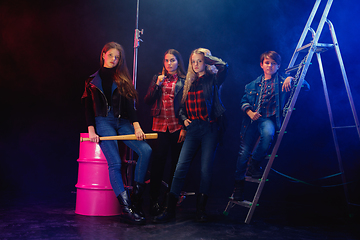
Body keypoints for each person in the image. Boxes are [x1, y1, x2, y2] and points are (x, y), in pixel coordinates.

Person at [153, 48, 228, 223]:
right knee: (180, 168)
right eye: (193, 61)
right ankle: (169, 210)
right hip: (193, 128)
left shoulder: (212, 79)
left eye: (199, 61)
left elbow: (224, 67)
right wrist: (184, 119)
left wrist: (209, 57)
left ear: (205, 62)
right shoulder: (188, 82)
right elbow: (180, 108)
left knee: (205, 169)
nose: (196, 64)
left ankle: (200, 210)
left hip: (209, 128)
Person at [81, 42, 152, 225]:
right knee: (115, 162)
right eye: (111, 55)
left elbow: (130, 106)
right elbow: (88, 107)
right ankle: (127, 209)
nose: (114, 59)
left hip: (122, 122)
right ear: (103, 54)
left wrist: (137, 126)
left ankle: (136, 200)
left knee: (146, 150)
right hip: (103, 122)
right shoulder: (91, 81)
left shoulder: (122, 79)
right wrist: (91, 129)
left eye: (117, 57)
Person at [232, 51, 310, 201]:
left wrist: (292, 78)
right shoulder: (252, 85)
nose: (270, 66)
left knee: (268, 134)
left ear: (278, 66)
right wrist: (249, 112)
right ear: (261, 65)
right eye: (267, 63)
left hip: (267, 118)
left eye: (273, 63)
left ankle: (254, 164)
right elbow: (243, 101)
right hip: (251, 119)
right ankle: (238, 187)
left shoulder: (282, 82)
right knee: (243, 153)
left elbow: (306, 87)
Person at [144, 49, 187, 216]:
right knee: (157, 165)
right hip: (160, 126)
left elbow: (186, 105)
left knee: (176, 165)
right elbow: (148, 100)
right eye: (167, 60)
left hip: (177, 126)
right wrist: (157, 85)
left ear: (178, 62)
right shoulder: (157, 78)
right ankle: (154, 200)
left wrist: (184, 127)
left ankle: (169, 202)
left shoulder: (184, 80)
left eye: (173, 60)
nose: (169, 63)